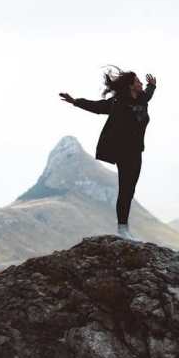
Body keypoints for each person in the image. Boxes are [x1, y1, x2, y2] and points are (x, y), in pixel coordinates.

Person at [59, 65, 157, 241]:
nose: (141, 83)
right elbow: (97, 107)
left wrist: (152, 85)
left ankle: (124, 227)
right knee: (125, 189)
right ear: (130, 85)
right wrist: (75, 101)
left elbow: (149, 93)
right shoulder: (117, 103)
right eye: (138, 81)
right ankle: (122, 229)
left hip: (137, 151)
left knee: (130, 189)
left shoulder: (142, 99)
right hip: (123, 152)